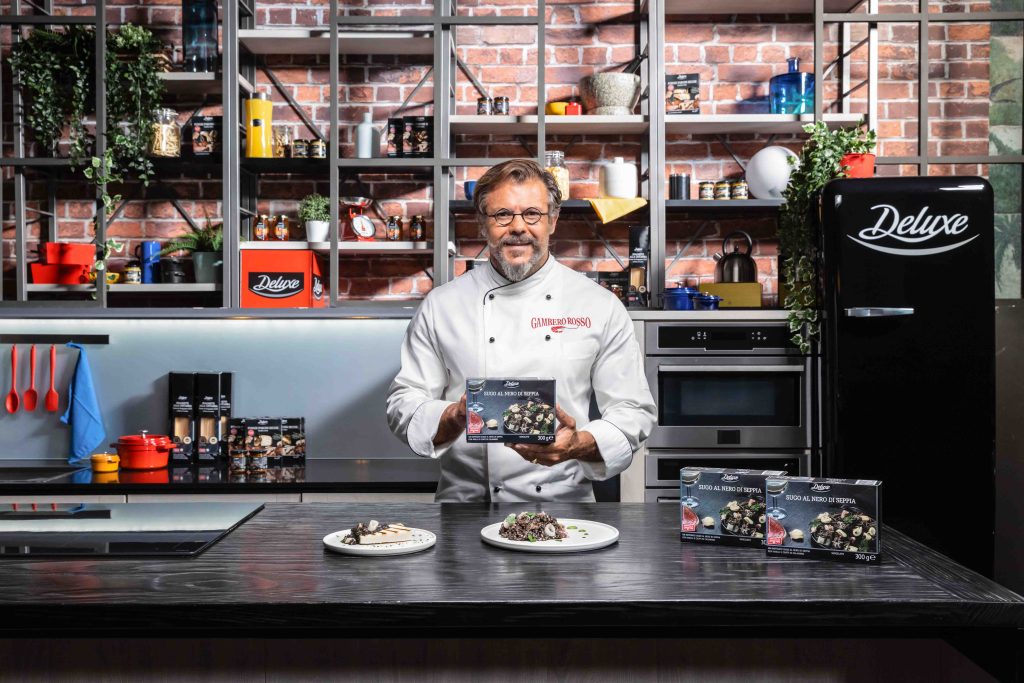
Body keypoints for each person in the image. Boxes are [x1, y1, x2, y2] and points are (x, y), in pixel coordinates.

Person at [386, 159, 656, 502]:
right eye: (502, 215)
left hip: (563, 512)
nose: (518, 227)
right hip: (466, 510)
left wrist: (578, 444)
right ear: (482, 223)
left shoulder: (598, 305)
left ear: (552, 220)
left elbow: (633, 411)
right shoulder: (442, 305)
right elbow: (403, 402)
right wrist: (455, 415)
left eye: (532, 214)